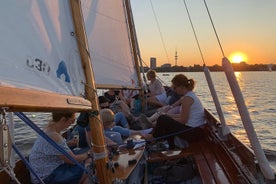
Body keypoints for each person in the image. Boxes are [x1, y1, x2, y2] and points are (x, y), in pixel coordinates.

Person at [145, 74, 206, 148]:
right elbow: (182, 116)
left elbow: (183, 120)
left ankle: (153, 138)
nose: (174, 89)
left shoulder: (187, 99)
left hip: (193, 132)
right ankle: (170, 145)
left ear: (181, 87)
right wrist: (168, 116)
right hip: (195, 130)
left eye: (175, 87)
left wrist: (166, 118)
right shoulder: (189, 95)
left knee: (162, 119)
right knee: (164, 118)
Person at [29, 112, 92, 184]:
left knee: (86, 161)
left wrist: (67, 143)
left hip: (41, 173)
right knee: (90, 165)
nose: (72, 124)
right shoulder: (54, 136)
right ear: (63, 119)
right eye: (72, 121)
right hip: (46, 178)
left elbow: (51, 148)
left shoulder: (48, 129)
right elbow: (73, 160)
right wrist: (89, 153)